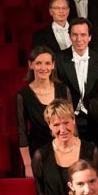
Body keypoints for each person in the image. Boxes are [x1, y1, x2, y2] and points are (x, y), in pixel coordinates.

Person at [32, 99, 98, 195]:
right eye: (56, 124)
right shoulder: (41, 156)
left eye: (66, 122)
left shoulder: (90, 151)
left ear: (73, 120)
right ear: (49, 125)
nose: (62, 130)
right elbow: (41, 194)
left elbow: (94, 188)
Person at [17, 46, 71, 177]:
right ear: (31, 65)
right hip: (38, 153)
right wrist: (28, 165)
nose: (43, 68)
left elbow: (71, 124)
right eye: (38, 63)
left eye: (47, 63)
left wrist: (74, 153)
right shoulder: (23, 95)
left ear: (53, 65)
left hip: (64, 151)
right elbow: (22, 133)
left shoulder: (63, 90)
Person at [55, 17, 98, 141]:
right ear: (70, 36)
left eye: (83, 35)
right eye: (75, 35)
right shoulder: (58, 59)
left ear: (90, 37)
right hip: (68, 118)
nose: (79, 39)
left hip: (96, 117)